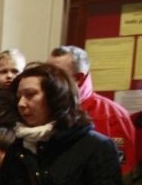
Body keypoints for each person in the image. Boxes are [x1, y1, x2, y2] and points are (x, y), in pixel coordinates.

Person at [48, 45, 137, 176]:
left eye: (55, 74)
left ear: (78, 78)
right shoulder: (42, 107)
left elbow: (123, 169)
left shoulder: (112, 115)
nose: (46, 79)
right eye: (45, 71)